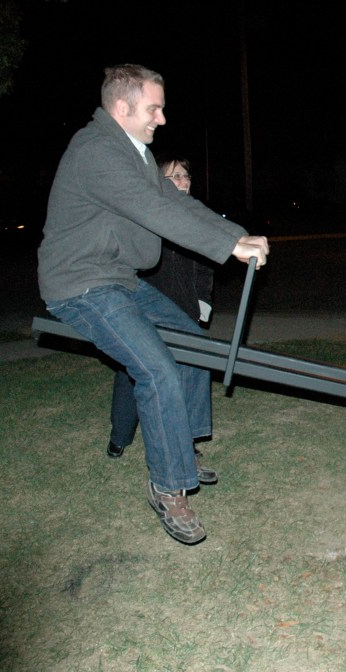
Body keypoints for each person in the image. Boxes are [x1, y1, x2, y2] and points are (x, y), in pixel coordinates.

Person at [38, 64, 269, 545]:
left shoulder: (133, 153)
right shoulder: (97, 152)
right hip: (81, 285)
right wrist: (228, 249)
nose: (162, 119)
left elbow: (174, 199)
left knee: (190, 340)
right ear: (121, 108)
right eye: (154, 108)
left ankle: (180, 450)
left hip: (117, 280)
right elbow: (156, 212)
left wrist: (236, 235)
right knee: (157, 368)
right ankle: (168, 487)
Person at [106, 155, 217, 487]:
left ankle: (186, 443)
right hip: (140, 305)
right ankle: (119, 437)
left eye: (185, 176)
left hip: (180, 309)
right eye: (172, 177)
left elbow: (204, 266)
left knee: (192, 363)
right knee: (133, 374)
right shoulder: (144, 214)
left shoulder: (195, 218)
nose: (181, 181)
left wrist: (203, 305)